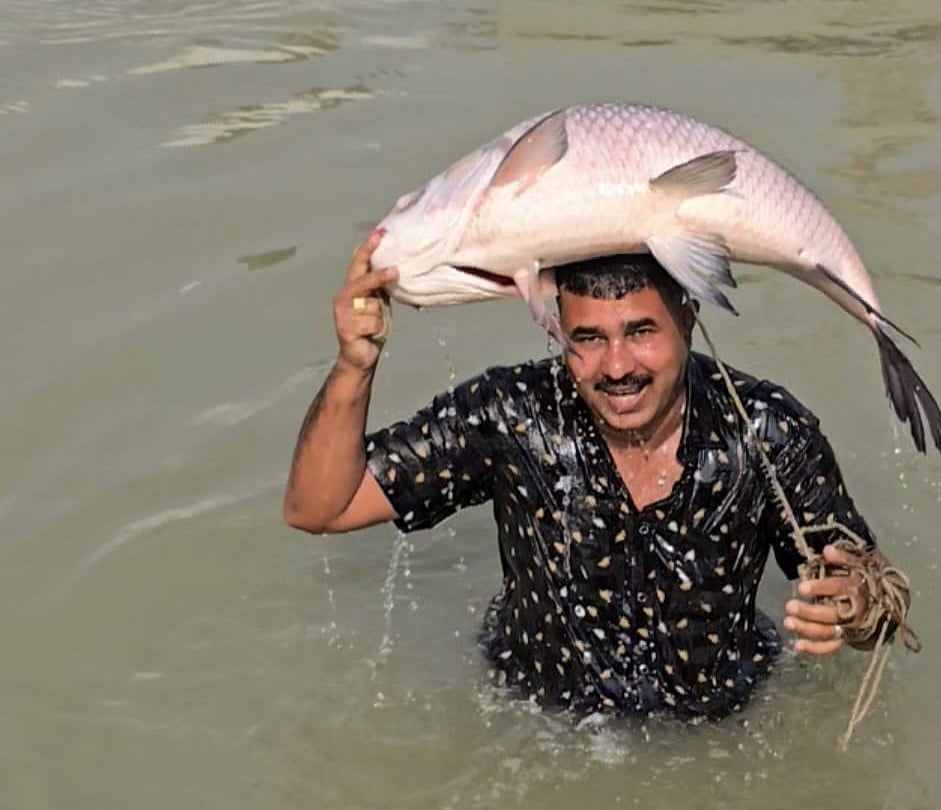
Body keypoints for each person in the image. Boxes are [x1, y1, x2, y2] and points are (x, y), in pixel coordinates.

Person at [284, 230, 907, 718]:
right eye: (588, 338)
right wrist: (354, 366)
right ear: (557, 330)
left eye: (641, 333)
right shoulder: (512, 414)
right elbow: (321, 508)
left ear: (687, 320)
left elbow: (873, 589)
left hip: (723, 724)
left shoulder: (766, 428)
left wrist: (852, 608)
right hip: (539, 720)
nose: (617, 366)